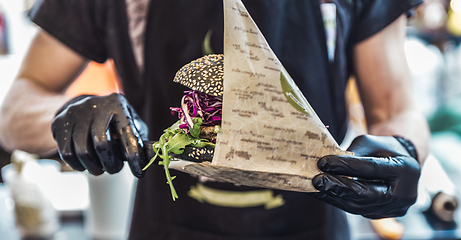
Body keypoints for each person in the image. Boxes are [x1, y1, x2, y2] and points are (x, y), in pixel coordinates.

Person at [0, 0, 430, 239]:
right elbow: (16, 108)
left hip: (312, 227)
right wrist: (69, 117)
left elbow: (396, 109)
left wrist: (403, 150)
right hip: (167, 227)